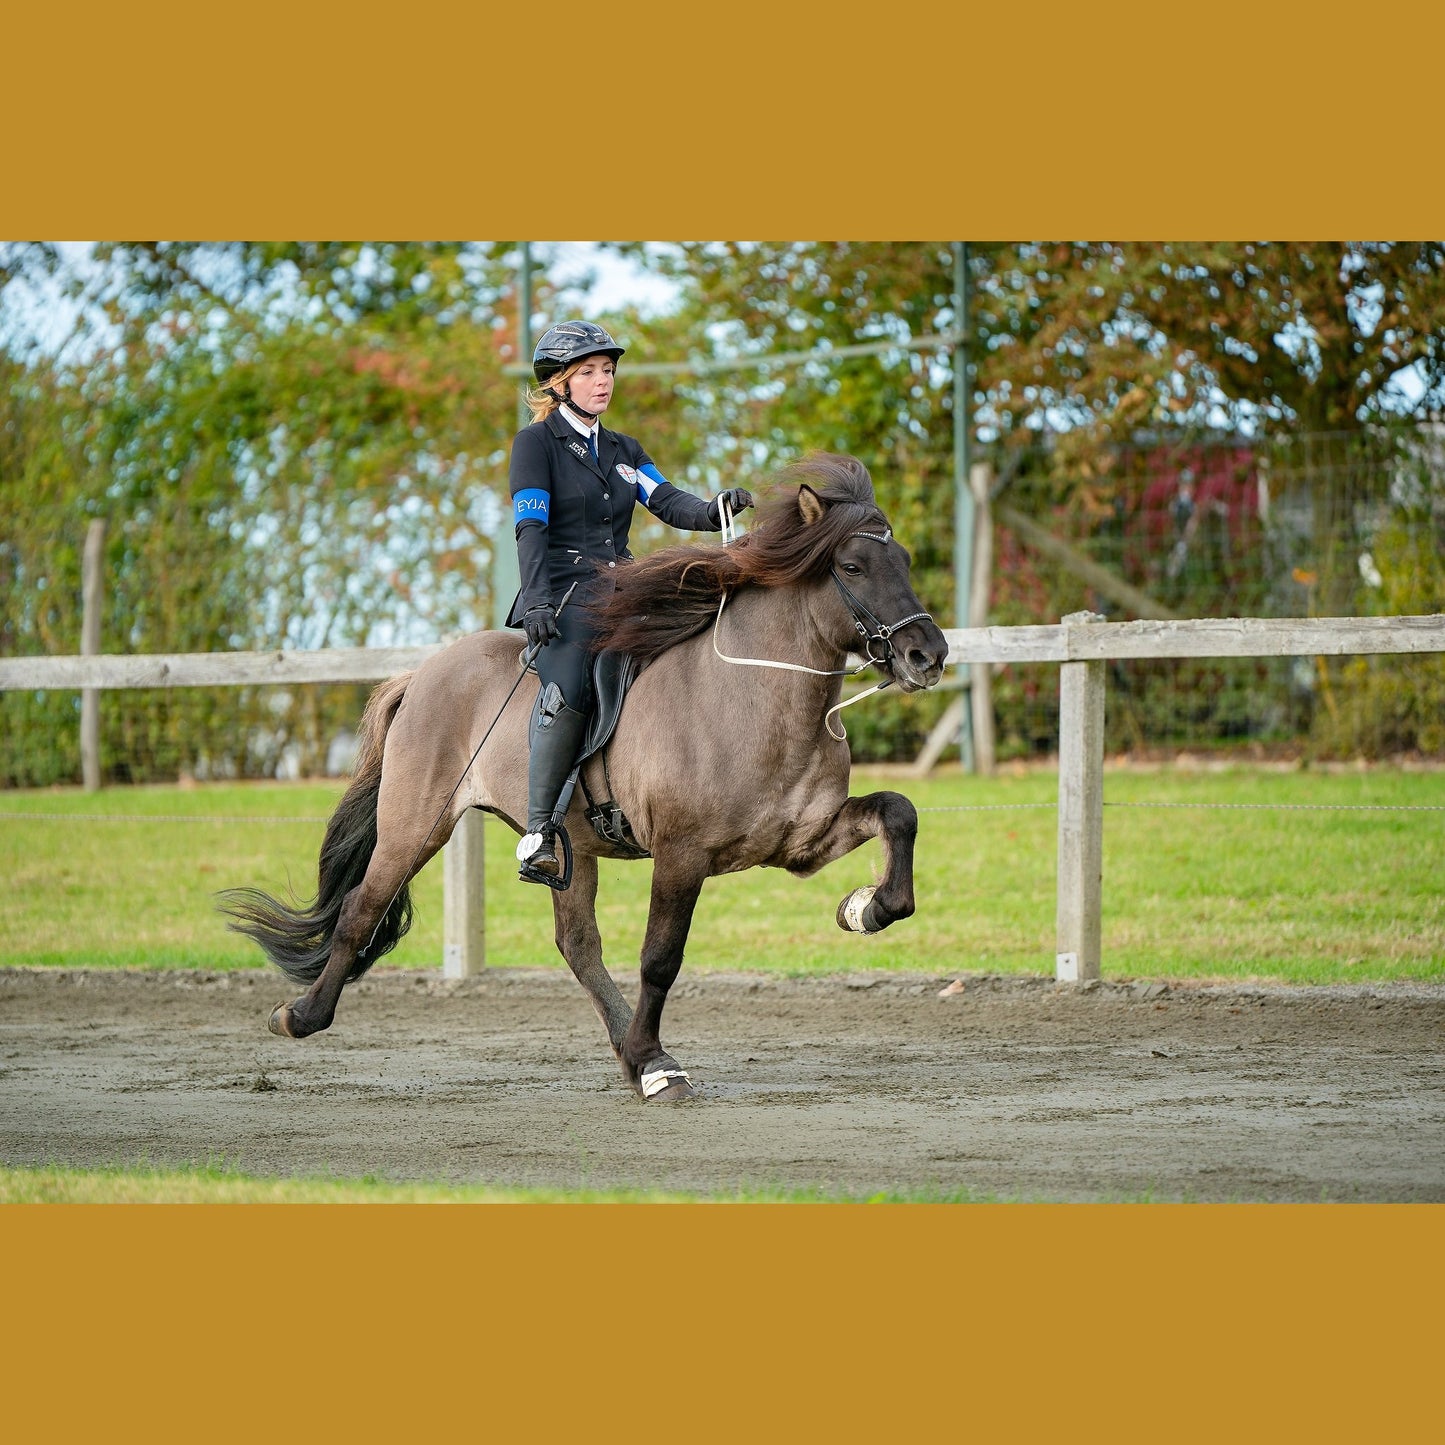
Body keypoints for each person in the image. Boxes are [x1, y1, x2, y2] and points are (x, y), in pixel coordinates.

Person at [507, 320, 754, 883]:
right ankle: (539, 832)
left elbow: (668, 502)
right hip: (564, 596)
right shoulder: (536, 445)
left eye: (609, 371)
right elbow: (531, 530)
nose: (602, 382)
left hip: (622, 590)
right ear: (560, 383)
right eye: (589, 373)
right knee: (569, 684)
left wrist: (717, 507)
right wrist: (539, 599)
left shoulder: (623, 449)